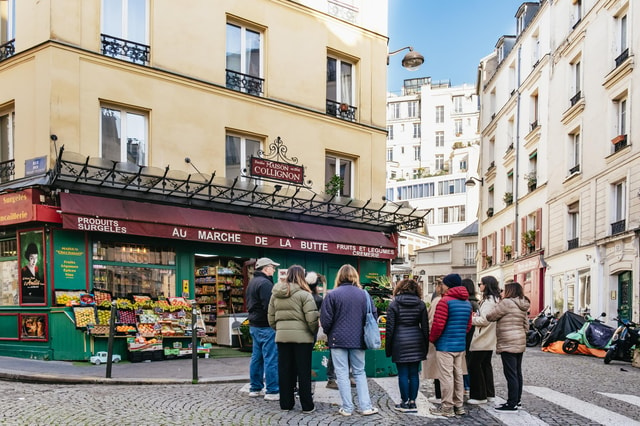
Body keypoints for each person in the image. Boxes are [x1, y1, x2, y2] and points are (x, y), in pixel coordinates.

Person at [320, 264, 379, 417]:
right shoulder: (364, 294)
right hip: (359, 339)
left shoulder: (332, 295)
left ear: (339, 276)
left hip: (337, 339)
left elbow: (325, 320)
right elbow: (373, 315)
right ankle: (366, 406)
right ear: (355, 277)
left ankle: (347, 408)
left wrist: (330, 332)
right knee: (359, 372)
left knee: (341, 374)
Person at [268, 265, 319, 413]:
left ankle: (286, 403)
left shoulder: (275, 294)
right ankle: (307, 405)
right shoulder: (305, 295)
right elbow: (312, 319)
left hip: (282, 338)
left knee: (284, 370)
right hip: (302, 339)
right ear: (302, 277)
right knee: (303, 372)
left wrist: (280, 330)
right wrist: (312, 332)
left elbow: (270, 318)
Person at [428, 273, 472, 418]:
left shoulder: (444, 301)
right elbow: (468, 325)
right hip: (459, 344)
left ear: (449, 285)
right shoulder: (467, 303)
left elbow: (438, 325)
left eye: (444, 283)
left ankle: (447, 407)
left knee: (446, 376)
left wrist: (432, 339)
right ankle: (459, 406)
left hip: (445, 345)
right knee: (458, 375)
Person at [385, 278, 429, 413]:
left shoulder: (394, 304)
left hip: (400, 341)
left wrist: (388, 348)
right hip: (416, 340)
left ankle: (404, 402)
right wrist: (425, 347)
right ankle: (413, 401)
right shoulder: (421, 305)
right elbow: (425, 327)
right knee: (414, 374)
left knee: (403, 374)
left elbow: (390, 328)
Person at [486, 281, 530, 412]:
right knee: (517, 372)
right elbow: (526, 326)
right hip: (519, 340)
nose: (502, 292)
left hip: (508, 341)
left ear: (510, 291)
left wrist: (497, 305)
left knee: (510, 373)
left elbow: (490, 316)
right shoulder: (523, 304)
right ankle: (517, 401)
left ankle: (511, 403)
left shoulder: (506, 303)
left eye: (504, 290)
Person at [246, 257, 280, 400]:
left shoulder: (252, 282)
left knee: (257, 357)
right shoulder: (266, 284)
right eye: (273, 267)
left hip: (254, 324)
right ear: (266, 268)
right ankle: (272, 390)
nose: (274, 269)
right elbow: (270, 307)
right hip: (266, 325)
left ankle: (255, 388)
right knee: (271, 358)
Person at [467, 276, 501, 405]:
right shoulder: (495, 299)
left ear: (486, 285)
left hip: (483, 337)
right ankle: (489, 393)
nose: (479, 286)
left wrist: (471, 319)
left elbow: (484, 320)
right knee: (485, 365)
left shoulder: (488, 301)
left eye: (480, 284)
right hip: (489, 337)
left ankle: (479, 395)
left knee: (475, 365)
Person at [424, 279, 444, 404]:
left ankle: (439, 395)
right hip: (456, 341)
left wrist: (430, 337)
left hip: (438, 340)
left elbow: (432, 322)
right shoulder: (460, 300)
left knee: (438, 369)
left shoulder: (437, 301)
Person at [462, 278, 479, 398]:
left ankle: (467, 386)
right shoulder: (476, 303)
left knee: (465, 363)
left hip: (468, 336)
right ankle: (469, 386)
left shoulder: (469, 303)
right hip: (475, 336)